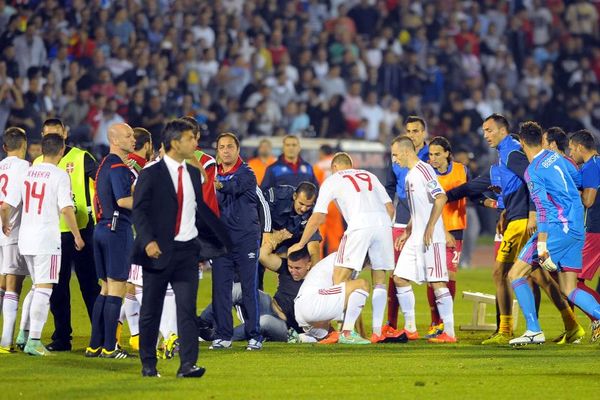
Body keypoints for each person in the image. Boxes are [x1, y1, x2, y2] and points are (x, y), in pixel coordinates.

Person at [446, 114, 582, 344]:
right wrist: (497, 206)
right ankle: (572, 325)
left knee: (501, 272)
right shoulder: (503, 156)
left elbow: (532, 180)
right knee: (539, 277)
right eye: (484, 131)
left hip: (522, 221)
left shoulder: (511, 152)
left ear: (502, 131)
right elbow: (477, 186)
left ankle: (506, 330)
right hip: (516, 217)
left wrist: (531, 215)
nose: (486, 135)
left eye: (489, 130)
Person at [133, 119, 230, 378]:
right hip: (158, 251)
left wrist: (223, 239)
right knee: (151, 311)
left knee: (187, 311)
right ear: (176, 143)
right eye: (190, 139)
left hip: (187, 252)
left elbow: (200, 211)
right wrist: (148, 241)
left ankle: (188, 364)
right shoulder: (151, 173)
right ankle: (148, 364)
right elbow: (139, 211)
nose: (195, 143)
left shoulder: (192, 174)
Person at [289, 152, 401, 344]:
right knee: (380, 279)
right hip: (383, 224)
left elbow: (318, 217)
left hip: (358, 226)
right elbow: (390, 208)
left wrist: (300, 243)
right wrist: (383, 228)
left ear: (334, 168)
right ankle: (376, 331)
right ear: (352, 165)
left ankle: (342, 330)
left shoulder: (333, 180)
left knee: (340, 278)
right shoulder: (370, 175)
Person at [508, 121, 600, 346]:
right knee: (569, 288)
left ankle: (533, 330)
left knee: (515, 274)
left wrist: (542, 245)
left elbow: (543, 208)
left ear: (522, 143)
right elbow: (578, 180)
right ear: (541, 139)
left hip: (557, 229)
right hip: (577, 229)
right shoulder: (559, 157)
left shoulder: (533, 171)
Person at [1, 134, 84, 356]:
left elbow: (10, 203)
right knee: (45, 290)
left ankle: (22, 334)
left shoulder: (28, 173)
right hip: (46, 238)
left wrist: (6, 224)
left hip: (25, 238)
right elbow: (66, 208)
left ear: (42, 150)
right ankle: (34, 341)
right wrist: (77, 235)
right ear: (62, 149)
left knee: (37, 287)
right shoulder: (59, 175)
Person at [34, 118, 100, 352]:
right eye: (48, 133)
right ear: (43, 135)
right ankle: (62, 337)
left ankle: (100, 336)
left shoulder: (81, 157)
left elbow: (100, 180)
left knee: (89, 285)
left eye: (57, 132)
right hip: (52, 233)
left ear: (65, 133)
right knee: (58, 288)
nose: (53, 136)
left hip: (81, 229)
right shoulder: (38, 162)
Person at [389, 137, 457, 343]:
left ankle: (450, 332)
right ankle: (410, 328)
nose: (394, 159)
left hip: (431, 238)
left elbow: (441, 197)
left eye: (395, 154)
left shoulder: (424, 169)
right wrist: (408, 230)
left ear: (406, 152)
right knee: (399, 277)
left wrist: (430, 227)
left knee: (436, 281)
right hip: (416, 236)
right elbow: (420, 207)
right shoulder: (410, 176)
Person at [199, 237, 311, 343]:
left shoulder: (314, 284)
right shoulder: (286, 268)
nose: (293, 271)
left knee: (264, 321)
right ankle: (201, 323)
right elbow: (262, 256)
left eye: (297, 268)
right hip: (269, 304)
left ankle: (219, 336)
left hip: (284, 326)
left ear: (308, 265)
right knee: (238, 289)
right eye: (291, 267)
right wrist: (277, 238)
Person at [86, 123, 136, 359]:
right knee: (117, 288)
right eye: (129, 136)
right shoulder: (118, 167)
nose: (133, 139)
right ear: (115, 140)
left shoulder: (105, 164)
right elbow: (124, 200)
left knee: (105, 289)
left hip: (102, 228)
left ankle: (94, 346)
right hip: (117, 230)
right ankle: (110, 347)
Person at [211, 132, 263, 351]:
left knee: (249, 288)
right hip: (222, 241)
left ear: (238, 149)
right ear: (217, 151)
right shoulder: (213, 173)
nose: (225, 150)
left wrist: (214, 185)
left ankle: (255, 335)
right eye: (221, 147)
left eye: (230, 146)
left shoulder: (247, 172)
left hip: (245, 240)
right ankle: (223, 335)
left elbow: (233, 187)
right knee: (220, 289)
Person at [384, 116, 429, 331]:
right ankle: (392, 322)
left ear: (424, 133)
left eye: (416, 130)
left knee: (436, 274)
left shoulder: (432, 156)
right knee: (396, 270)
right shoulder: (397, 156)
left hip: (427, 219)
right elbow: (390, 185)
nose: (412, 134)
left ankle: (437, 324)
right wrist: (389, 208)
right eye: (409, 130)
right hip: (402, 215)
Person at [424, 136, 468, 339]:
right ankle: (435, 323)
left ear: (447, 154)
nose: (433, 158)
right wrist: (442, 231)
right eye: (431, 154)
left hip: (456, 229)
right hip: (435, 230)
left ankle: (445, 322)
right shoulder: (426, 174)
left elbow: (472, 193)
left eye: (437, 154)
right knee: (433, 278)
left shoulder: (462, 170)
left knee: (449, 276)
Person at [294, 250, 374, 345]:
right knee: (362, 284)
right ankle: (347, 334)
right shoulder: (346, 257)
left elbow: (352, 303)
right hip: (313, 302)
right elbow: (339, 285)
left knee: (331, 336)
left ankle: (300, 338)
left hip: (302, 310)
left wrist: (362, 335)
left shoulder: (345, 257)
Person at [0, 127, 30, 353]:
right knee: (14, 284)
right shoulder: (24, 167)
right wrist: (6, 223)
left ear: (4, 147)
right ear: (24, 145)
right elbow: (7, 204)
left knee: (2, 284)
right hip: (12, 231)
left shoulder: (0, 166)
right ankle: (6, 341)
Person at [568, 130, 600, 342]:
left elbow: (588, 201)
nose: (571, 152)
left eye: (571, 148)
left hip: (595, 230)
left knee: (573, 281)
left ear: (580, 147)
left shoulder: (591, 166)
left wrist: (568, 192)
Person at [259, 182, 321, 267]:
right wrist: (267, 232)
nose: (303, 209)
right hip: (264, 234)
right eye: (301, 203)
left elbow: (314, 245)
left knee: (308, 252)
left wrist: (315, 271)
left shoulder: (313, 213)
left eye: (308, 206)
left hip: (291, 241)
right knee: (258, 260)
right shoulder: (278, 195)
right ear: (294, 196)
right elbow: (261, 206)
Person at [181, 116, 219, 216]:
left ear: (197, 135)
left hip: (198, 223)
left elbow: (207, 198)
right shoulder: (166, 159)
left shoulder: (206, 162)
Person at [313, 144, 344, 255]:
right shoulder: (340, 163)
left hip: (324, 202)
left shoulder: (319, 165)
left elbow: (314, 185)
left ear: (322, 153)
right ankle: (335, 262)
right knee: (334, 236)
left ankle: (317, 262)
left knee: (319, 236)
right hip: (337, 203)